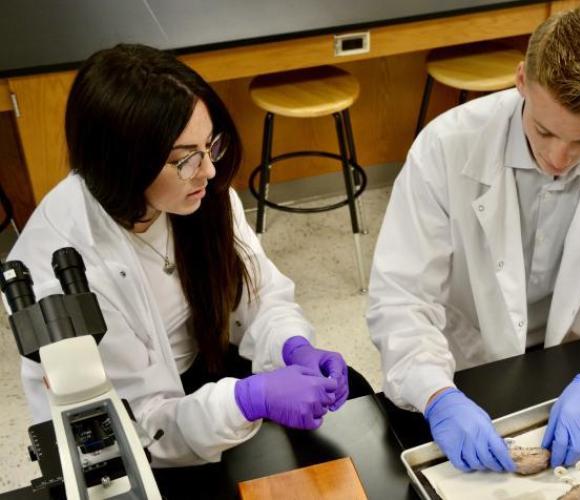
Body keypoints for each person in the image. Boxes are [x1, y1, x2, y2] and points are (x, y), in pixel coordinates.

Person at [367, 5, 580, 473]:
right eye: (544, 130)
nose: (558, 157)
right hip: (471, 367)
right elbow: (401, 297)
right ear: (521, 80)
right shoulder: (445, 148)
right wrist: (436, 393)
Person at [7, 43, 372, 467]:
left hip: (210, 360)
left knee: (357, 408)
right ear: (124, 165)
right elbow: (146, 430)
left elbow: (259, 292)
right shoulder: (62, 272)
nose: (210, 171)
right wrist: (247, 400)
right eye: (185, 160)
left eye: (209, 146)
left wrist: (291, 344)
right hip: (143, 425)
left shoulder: (196, 195)